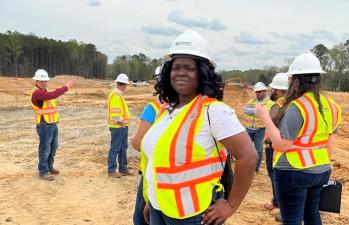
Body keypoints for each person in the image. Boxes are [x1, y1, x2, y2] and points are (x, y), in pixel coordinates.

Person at [140, 29, 258, 225]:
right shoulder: (166, 110)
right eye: (176, 67)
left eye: (189, 68)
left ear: (202, 73)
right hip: (159, 207)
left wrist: (230, 205)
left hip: (193, 214)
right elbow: (157, 161)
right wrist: (152, 199)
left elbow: (249, 157)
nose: (181, 72)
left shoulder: (214, 111)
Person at [255, 52, 342, 225]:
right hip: (321, 170)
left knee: (292, 220)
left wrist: (264, 116)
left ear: (295, 80)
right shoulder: (331, 106)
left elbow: (282, 145)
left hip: (293, 170)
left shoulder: (298, 107)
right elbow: (329, 141)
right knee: (312, 215)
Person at [132, 66, 164, 225]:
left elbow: (137, 143)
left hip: (153, 173)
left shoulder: (155, 108)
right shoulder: (196, 108)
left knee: (141, 219)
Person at [31, 69, 76, 181]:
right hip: (44, 126)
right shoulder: (37, 93)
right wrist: (66, 87)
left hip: (52, 125)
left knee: (53, 147)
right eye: (41, 81)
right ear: (36, 81)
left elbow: (50, 108)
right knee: (45, 149)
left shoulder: (45, 92)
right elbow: (53, 95)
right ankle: (43, 171)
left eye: (45, 80)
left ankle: (49, 167)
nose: (44, 82)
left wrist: (56, 120)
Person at [263, 72, 289, 212]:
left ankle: (277, 202)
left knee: (275, 175)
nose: (271, 91)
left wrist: (268, 141)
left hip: (275, 146)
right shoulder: (295, 103)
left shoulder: (278, 105)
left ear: (279, 90)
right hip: (285, 146)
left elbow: (273, 126)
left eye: (273, 89)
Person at [243, 82, 274, 173]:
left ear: (265, 91)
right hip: (249, 128)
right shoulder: (252, 101)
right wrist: (257, 111)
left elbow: (267, 112)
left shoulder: (269, 102)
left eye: (260, 92)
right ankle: (246, 166)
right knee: (246, 149)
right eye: (257, 92)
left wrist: (254, 111)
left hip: (260, 129)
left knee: (258, 150)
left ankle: (255, 168)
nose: (258, 94)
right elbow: (245, 110)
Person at [107, 73, 133, 178]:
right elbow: (115, 113)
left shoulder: (118, 94)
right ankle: (112, 170)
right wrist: (121, 123)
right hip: (118, 127)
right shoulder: (116, 95)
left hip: (122, 126)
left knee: (123, 148)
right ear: (124, 84)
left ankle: (123, 168)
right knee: (115, 148)